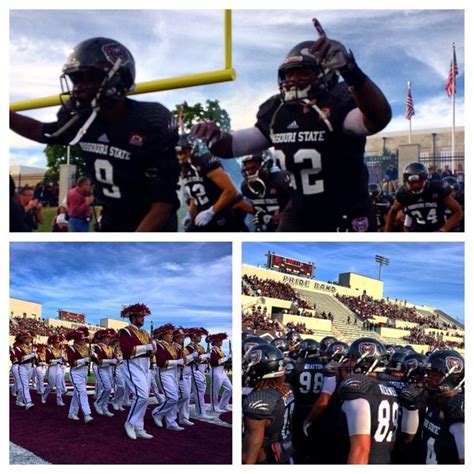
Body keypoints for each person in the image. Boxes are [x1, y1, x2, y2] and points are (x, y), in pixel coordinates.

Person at [192, 19, 391, 231]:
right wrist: (215, 138)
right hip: (301, 209)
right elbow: (233, 146)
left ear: (327, 73)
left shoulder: (337, 100)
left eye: (304, 72)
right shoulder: (277, 111)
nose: (293, 80)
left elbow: (376, 120)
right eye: (289, 73)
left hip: (346, 210)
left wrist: (351, 71)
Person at [10, 37, 180, 232]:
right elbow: (41, 131)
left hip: (151, 224)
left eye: (90, 77)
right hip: (112, 220)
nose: (79, 87)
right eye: (76, 79)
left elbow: (162, 205)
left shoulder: (150, 121)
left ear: (119, 78)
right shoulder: (82, 120)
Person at [336, 337, 397, 464]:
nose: (348, 363)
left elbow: (361, 449)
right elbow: (391, 442)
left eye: (352, 359)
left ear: (365, 362)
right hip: (383, 458)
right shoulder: (390, 389)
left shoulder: (358, 389)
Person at [242, 344, 294, 464]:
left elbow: (248, 457)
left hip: (264, 459)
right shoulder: (287, 389)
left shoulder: (261, 398)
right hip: (284, 452)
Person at [177, 134, 240, 231]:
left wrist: (212, 211)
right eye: (178, 153)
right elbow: (196, 197)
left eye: (183, 152)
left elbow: (231, 190)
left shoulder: (205, 162)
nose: (180, 157)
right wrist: (190, 214)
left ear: (192, 149)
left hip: (220, 217)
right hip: (201, 217)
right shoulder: (186, 169)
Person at [384, 162, 463, 232]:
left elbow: (458, 212)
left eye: (418, 182)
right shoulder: (403, 193)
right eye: (412, 183)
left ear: (426, 179)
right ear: (406, 182)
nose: (415, 185)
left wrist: (443, 230)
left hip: (437, 229)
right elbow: (393, 211)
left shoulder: (437, 188)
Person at [118, 303, 156, 439]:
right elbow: (127, 350)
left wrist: (153, 348)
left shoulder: (145, 333)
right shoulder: (125, 331)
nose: (143, 319)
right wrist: (147, 347)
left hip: (145, 365)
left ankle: (139, 427)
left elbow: (151, 351)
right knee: (141, 396)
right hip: (132, 365)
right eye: (140, 316)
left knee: (144, 398)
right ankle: (130, 423)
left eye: (143, 316)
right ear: (133, 318)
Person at [421, 350, 464, 464]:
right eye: (428, 373)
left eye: (434, 374)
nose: (428, 378)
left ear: (453, 377)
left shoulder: (458, 408)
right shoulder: (435, 400)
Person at [240, 150, 291, 232]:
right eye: (248, 169)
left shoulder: (281, 181)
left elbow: (298, 212)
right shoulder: (246, 187)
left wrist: (271, 218)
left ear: (266, 165)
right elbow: (257, 211)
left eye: (253, 168)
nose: (250, 172)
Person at [64, 327, 94, 423]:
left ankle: (72, 413)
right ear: (76, 340)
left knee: (77, 394)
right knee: (82, 392)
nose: (84, 340)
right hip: (75, 373)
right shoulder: (71, 348)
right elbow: (72, 363)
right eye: (81, 339)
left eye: (84, 339)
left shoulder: (87, 348)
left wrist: (94, 356)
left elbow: (95, 359)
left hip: (84, 372)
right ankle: (87, 414)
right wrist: (85, 360)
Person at [186, 327, 212, 420]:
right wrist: (205, 356)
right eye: (199, 335)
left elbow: (204, 359)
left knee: (201, 391)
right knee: (199, 392)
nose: (200, 337)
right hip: (195, 370)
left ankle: (183, 401)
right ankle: (201, 412)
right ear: (193, 336)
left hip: (202, 370)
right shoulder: (189, 347)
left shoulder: (201, 347)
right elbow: (195, 360)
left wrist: (207, 356)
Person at [92, 328, 117, 417]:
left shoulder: (110, 348)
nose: (109, 339)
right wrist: (111, 361)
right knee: (107, 387)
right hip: (101, 369)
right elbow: (99, 361)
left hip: (109, 369)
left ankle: (104, 407)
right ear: (102, 338)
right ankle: (98, 403)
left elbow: (114, 358)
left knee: (109, 389)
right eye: (106, 337)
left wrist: (115, 360)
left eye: (109, 338)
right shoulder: (98, 347)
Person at [208, 332, 233, 413]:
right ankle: (214, 407)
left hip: (222, 371)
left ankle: (223, 404)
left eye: (221, 340)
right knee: (215, 391)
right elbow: (214, 362)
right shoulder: (213, 350)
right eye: (219, 341)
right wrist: (227, 358)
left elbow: (223, 362)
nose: (221, 342)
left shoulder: (220, 350)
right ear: (215, 342)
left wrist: (229, 358)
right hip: (215, 371)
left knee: (230, 388)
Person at [42, 335, 66, 406]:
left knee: (59, 385)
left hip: (59, 367)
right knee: (51, 385)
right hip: (52, 368)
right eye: (56, 342)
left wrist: (64, 358)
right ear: (52, 343)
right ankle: (44, 396)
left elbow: (64, 360)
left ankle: (59, 400)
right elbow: (48, 361)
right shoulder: (49, 350)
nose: (57, 344)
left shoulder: (61, 350)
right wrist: (58, 360)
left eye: (58, 342)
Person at [15, 332, 36, 410]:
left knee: (25, 385)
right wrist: (31, 355)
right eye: (28, 338)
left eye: (30, 338)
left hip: (30, 366)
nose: (30, 339)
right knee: (25, 385)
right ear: (23, 339)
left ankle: (19, 400)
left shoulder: (31, 347)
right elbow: (21, 359)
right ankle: (28, 402)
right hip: (23, 366)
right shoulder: (18, 348)